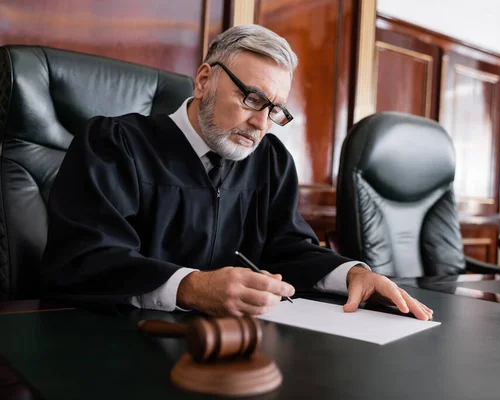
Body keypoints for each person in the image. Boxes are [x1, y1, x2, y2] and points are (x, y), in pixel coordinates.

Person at [41, 24, 433, 321]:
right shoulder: (115, 143)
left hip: (232, 347)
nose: (261, 123)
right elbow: (84, 259)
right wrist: (192, 287)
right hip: (118, 342)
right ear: (204, 80)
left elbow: (289, 247)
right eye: (252, 98)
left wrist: (352, 274)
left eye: (274, 109)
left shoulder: (271, 160)